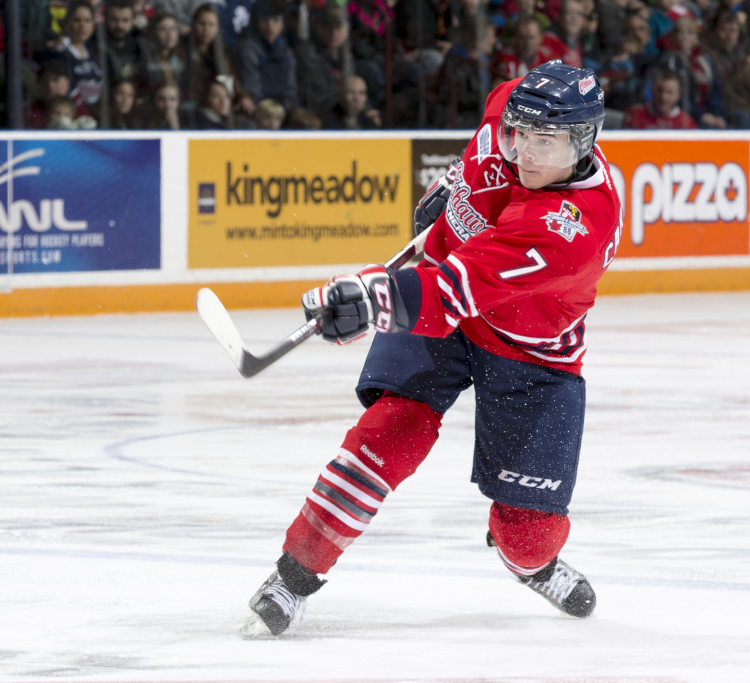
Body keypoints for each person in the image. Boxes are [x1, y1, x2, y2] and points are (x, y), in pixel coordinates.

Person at [240, 59, 622, 638]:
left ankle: (531, 562)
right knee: (386, 436)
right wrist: (448, 187)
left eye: (547, 142)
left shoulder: (572, 227)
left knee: (528, 532)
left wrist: (368, 299)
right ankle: (294, 576)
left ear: (584, 141)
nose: (526, 153)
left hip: (529, 352)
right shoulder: (508, 108)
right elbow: (479, 152)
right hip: (448, 315)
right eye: (520, 135)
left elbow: (454, 292)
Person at [623, 68, 697, 128]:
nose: (663, 97)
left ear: (678, 95)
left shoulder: (687, 123)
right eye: (659, 90)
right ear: (652, 89)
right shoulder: (634, 113)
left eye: (669, 93)